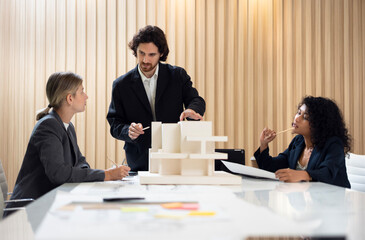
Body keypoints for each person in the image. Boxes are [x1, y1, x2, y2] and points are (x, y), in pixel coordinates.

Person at [6, 72, 130, 210]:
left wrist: (100, 174)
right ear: (70, 98)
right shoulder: (48, 126)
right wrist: (106, 175)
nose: (86, 96)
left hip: (48, 203)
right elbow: (58, 174)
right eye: (82, 91)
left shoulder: (67, 126)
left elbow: (81, 163)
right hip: (30, 209)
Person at [107, 25, 205, 171]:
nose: (145, 60)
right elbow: (115, 123)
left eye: (151, 54)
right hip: (139, 160)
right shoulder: (121, 85)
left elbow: (196, 100)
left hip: (174, 154)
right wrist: (128, 130)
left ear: (161, 53)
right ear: (135, 51)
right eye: (141, 53)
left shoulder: (177, 76)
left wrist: (192, 110)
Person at [254, 96, 351, 188]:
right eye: (298, 113)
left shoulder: (334, 144)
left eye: (305, 117)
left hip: (334, 201)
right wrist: (263, 145)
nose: (296, 118)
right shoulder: (298, 141)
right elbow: (272, 167)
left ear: (319, 124)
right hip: (305, 202)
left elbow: (327, 173)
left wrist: (305, 175)